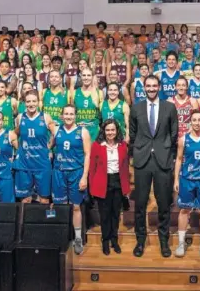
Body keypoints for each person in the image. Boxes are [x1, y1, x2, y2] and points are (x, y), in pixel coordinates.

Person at [129, 75, 178, 258]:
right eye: (148, 86)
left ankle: (164, 241)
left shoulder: (170, 107)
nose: (151, 89)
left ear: (159, 87)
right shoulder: (136, 108)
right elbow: (133, 133)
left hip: (162, 159)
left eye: (154, 86)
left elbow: (174, 133)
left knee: (164, 203)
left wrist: (165, 150)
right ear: (144, 87)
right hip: (142, 160)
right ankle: (140, 241)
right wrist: (139, 149)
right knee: (140, 204)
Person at [173, 109, 200, 260]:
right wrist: (176, 179)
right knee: (184, 210)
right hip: (187, 179)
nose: (197, 123)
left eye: (199, 120)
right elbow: (179, 159)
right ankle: (180, 242)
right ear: (190, 122)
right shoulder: (183, 139)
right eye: (194, 120)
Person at [52, 105, 91, 255]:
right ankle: (62, 236)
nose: (68, 116)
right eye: (66, 114)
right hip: (59, 172)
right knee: (60, 206)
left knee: (76, 207)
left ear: (76, 115)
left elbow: (87, 155)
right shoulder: (56, 130)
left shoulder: (83, 132)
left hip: (76, 172)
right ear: (62, 115)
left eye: (71, 114)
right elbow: (49, 145)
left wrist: (84, 177)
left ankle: (78, 238)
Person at [89, 119, 131, 255]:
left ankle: (114, 239)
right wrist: (92, 188)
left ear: (117, 130)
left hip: (118, 182)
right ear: (103, 131)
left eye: (113, 130)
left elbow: (125, 168)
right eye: (108, 130)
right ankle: (105, 240)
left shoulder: (123, 145)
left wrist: (126, 188)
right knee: (105, 215)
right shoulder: (97, 145)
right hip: (103, 183)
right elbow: (92, 168)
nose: (110, 132)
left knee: (115, 214)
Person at [14, 90, 56, 203]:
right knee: (25, 199)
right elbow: (14, 135)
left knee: (44, 199)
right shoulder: (20, 117)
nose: (31, 104)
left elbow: (56, 133)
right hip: (24, 162)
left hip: (41, 162)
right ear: (24, 103)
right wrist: (18, 149)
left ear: (38, 102)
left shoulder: (45, 117)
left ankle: (41, 221)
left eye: (34, 101)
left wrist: (49, 147)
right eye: (28, 101)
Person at [70, 68, 102, 143]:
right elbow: (72, 113)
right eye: (84, 75)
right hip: (78, 131)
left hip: (94, 132)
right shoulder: (74, 93)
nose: (86, 78)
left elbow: (101, 113)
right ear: (81, 76)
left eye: (89, 75)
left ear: (92, 77)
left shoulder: (99, 93)